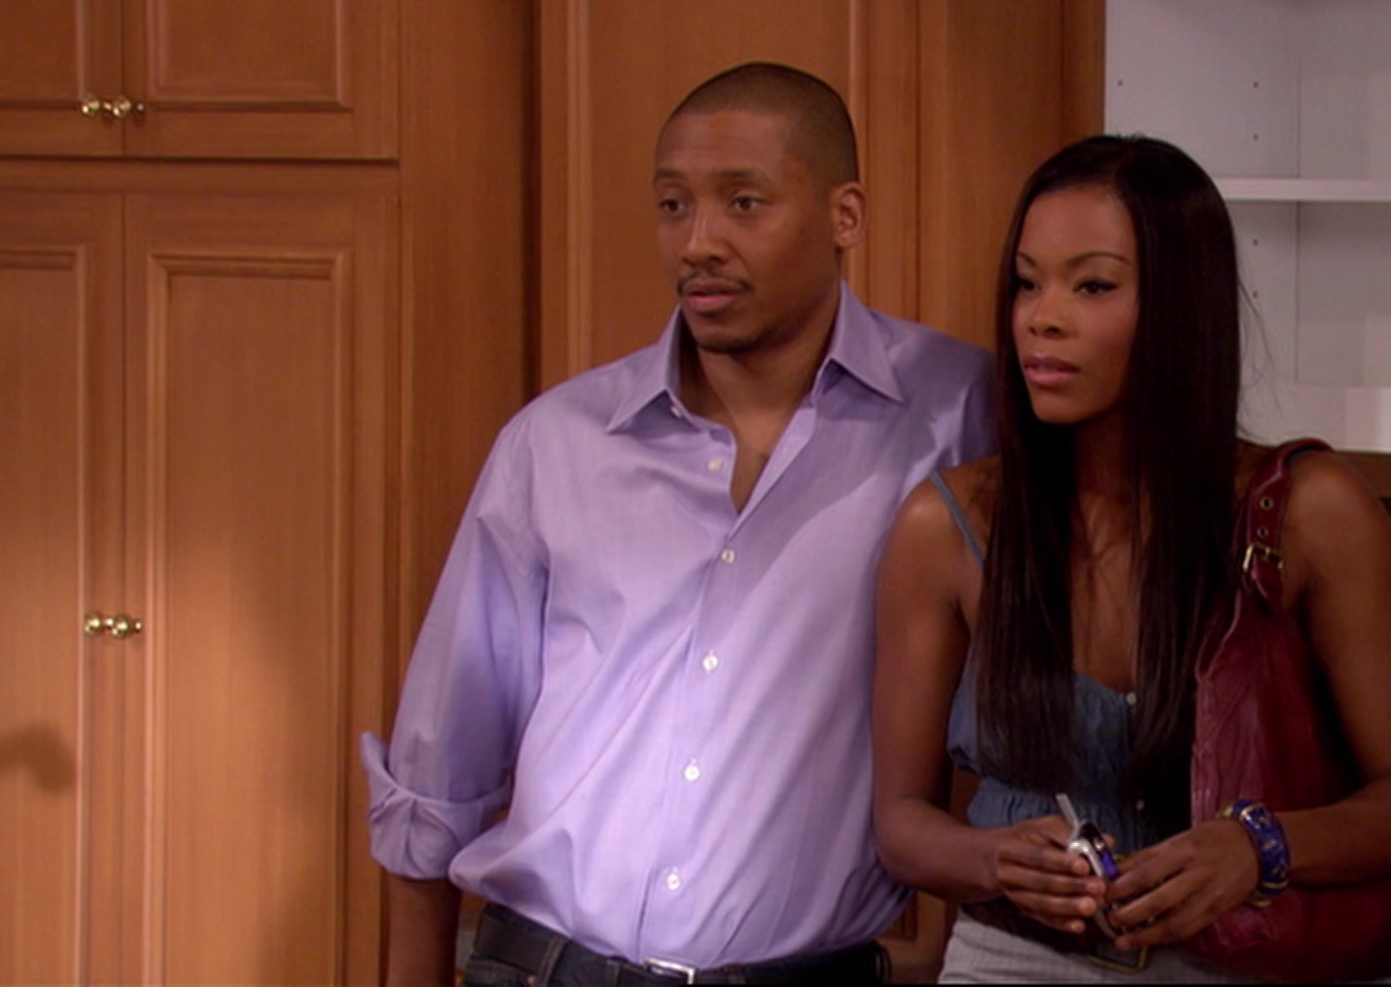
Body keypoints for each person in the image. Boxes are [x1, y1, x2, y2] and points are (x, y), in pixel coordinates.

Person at [362, 61, 995, 986]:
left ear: (845, 215)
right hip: (542, 966)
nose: (698, 243)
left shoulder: (955, 413)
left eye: (743, 203)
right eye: (672, 206)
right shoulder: (557, 443)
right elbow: (438, 771)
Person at [870, 134, 1391, 982]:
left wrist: (1255, 845)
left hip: (1240, 966)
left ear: (1182, 307)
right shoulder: (947, 525)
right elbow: (901, 822)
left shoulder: (1309, 513)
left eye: (1092, 285)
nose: (1041, 317)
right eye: (1027, 283)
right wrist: (992, 859)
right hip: (1011, 963)